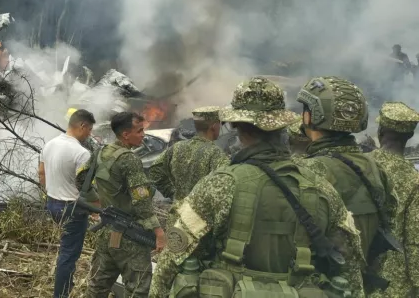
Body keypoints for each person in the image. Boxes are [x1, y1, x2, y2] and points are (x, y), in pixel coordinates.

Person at [150, 76, 366, 297]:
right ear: (283, 126)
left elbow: (171, 259)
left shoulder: (218, 185)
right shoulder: (323, 190)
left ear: (235, 126)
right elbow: (350, 270)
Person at [295, 76, 397, 293]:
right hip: (364, 286)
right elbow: (389, 221)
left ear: (311, 116)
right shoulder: (377, 169)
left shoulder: (307, 171)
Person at [84, 111, 164, 298]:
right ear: (126, 134)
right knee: (138, 289)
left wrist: (99, 204)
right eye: (139, 130)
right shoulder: (129, 159)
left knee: (97, 287)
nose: (143, 134)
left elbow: (81, 180)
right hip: (130, 235)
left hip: (106, 232)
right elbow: (142, 200)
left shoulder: (100, 153)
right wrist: (158, 232)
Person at [39, 109, 95, 298]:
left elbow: (41, 173)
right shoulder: (81, 153)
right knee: (68, 255)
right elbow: (86, 188)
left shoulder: (50, 144)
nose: (89, 134)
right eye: (89, 130)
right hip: (72, 208)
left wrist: (50, 192)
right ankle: (61, 294)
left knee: (65, 249)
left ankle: (66, 283)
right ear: (82, 126)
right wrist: (98, 207)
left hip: (52, 203)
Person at [370, 102, 419, 298]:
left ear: (380, 130)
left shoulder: (356, 165)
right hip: (393, 283)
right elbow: (415, 240)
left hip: (354, 273)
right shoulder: (414, 180)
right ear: (409, 136)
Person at [149, 107, 227, 201]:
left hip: (178, 211)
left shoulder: (176, 148)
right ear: (214, 126)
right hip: (201, 213)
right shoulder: (216, 153)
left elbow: (154, 171)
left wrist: (172, 193)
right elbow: (224, 187)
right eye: (220, 124)